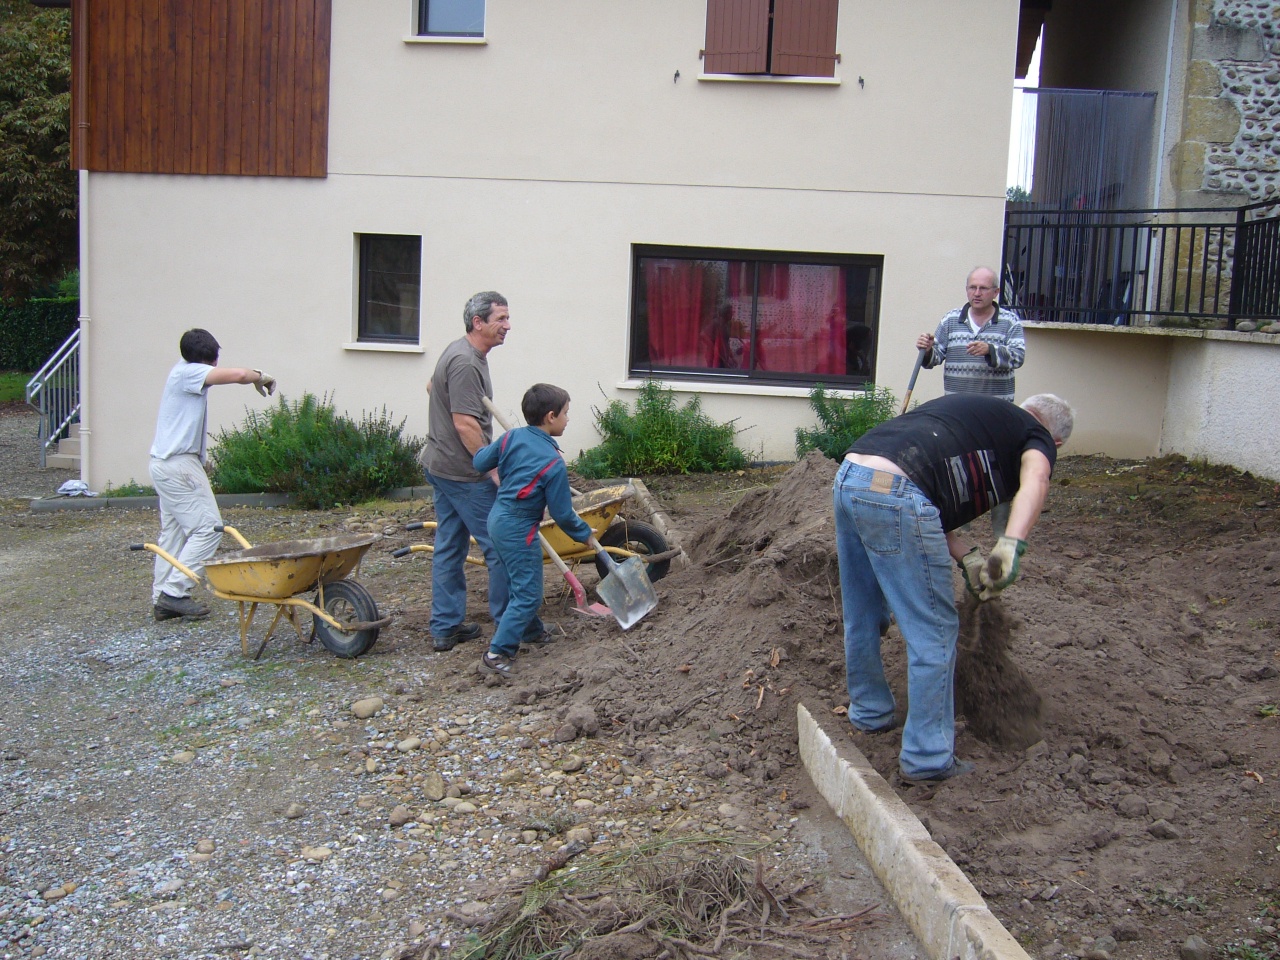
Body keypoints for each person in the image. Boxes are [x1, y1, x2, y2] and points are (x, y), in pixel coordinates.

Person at [832, 392, 1074, 784]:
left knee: (862, 612)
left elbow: (920, 497)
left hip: (851, 477)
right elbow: (1037, 480)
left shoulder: (975, 419)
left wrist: (969, 557)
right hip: (895, 489)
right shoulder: (1034, 434)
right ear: (1055, 440)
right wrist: (1011, 545)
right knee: (935, 632)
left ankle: (870, 713)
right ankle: (927, 758)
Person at [149, 329, 276, 621]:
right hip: (178, 465)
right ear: (210, 360)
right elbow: (240, 376)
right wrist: (259, 375)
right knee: (208, 530)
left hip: (164, 463)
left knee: (174, 533)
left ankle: (162, 597)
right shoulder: (191, 373)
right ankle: (174, 593)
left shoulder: (180, 370)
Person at [471, 383, 595, 679]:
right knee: (528, 594)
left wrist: (505, 459)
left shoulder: (511, 437)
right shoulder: (553, 463)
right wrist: (585, 533)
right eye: (566, 413)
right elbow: (563, 514)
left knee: (519, 582)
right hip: (518, 529)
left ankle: (532, 630)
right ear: (550, 417)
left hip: (497, 520)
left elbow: (479, 462)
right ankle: (496, 654)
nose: (568, 419)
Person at [420, 291, 513, 652]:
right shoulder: (465, 363)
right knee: (501, 546)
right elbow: (465, 426)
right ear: (478, 323)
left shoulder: (460, 351)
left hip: (441, 464)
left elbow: (431, 386)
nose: (508, 325)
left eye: (507, 318)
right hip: (462, 472)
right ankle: (511, 623)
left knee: (449, 545)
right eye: (501, 319)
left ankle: (445, 626)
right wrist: (491, 469)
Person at [915, 266, 1027, 537]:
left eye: (983, 288)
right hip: (958, 412)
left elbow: (1018, 357)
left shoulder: (1009, 322)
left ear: (996, 292)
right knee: (959, 465)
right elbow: (935, 357)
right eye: (972, 288)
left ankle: (1001, 528)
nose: (977, 293)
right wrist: (926, 349)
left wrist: (991, 350)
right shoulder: (952, 320)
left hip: (996, 412)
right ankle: (960, 524)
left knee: (1000, 466)